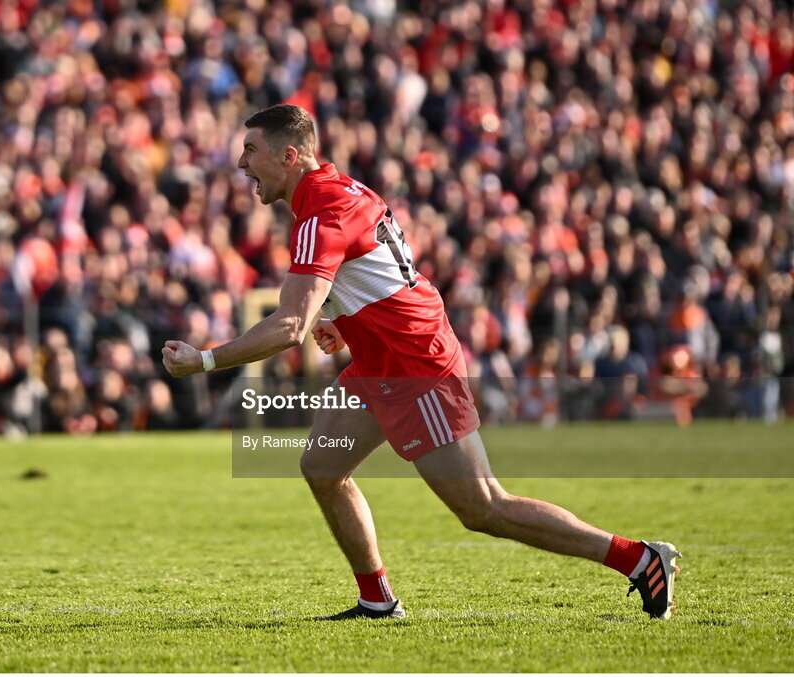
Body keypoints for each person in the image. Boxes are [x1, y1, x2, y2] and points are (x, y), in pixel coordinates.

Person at [162, 104, 681, 620]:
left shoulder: (321, 213)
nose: (241, 163)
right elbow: (387, 273)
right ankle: (376, 599)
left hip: (416, 366)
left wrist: (204, 361)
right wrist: (345, 321)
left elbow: (289, 327)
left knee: (482, 508)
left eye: (251, 151)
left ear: (289, 156)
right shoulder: (343, 189)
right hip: (379, 361)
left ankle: (637, 558)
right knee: (323, 467)